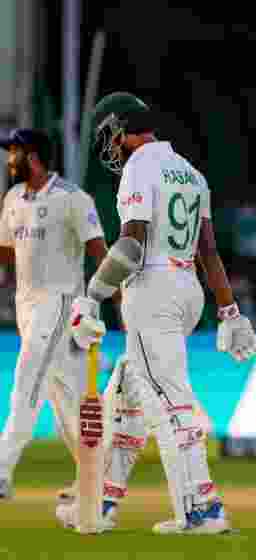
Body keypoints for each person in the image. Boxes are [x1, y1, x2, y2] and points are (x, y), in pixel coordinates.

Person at [60, 91, 256, 534]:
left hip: (152, 291)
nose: (108, 148)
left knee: (170, 402)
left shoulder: (139, 168)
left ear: (119, 129)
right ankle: (101, 503)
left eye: (107, 137)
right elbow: (208, 250)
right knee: (126, 402)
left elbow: (131, 245)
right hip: (187, 288)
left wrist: (92, 295)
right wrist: (229, 312)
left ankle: (202, 510)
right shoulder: (191, 173)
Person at [0, 128, 109, 500]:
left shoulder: (73, 199)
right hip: (28, 310)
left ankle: (1, 472)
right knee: (66, 404)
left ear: (31, 155)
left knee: (26, 383)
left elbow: (99, 250)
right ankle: (96, 481)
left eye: (12, 152)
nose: (7, 160)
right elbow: (7, 252)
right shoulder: (13, 198)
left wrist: (108, 297)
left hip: (62, 306)